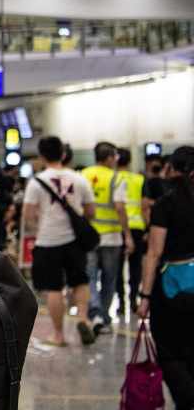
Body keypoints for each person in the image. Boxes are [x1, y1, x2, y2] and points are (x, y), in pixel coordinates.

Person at [136, 146, 194, 410]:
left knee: (171, 353)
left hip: (172, 290)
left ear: (172, 170)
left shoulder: (166, 204)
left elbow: (154, 252)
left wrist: (144, 295)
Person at [23, 136, 97, 346]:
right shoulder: (80, 179)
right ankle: (83, 319)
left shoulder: (36, 182)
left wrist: (40, 225)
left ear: (41, 156)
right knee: (80, 281)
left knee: (53, 288)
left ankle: (58, 335)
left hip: (47, 241)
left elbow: (28, 215)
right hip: (75, 242)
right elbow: (91, 211)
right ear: (64, 154)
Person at [82, 141, 131, 331]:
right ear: (109, 158)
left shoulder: (83, 175)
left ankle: (94, 312)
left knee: (90, 276)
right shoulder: (116, 178)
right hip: (111, 237)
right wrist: (128, 235)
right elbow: (120, 207)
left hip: (89, 237)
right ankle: (103, 316)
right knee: (109, 278)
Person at [120, 149, 148, 312]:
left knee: (117, 270)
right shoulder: (139, 179)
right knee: (135, 267)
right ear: (130, 161)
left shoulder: (114, 178)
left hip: (118, 228)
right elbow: (144, 205)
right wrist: (147, 227)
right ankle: (132, 301)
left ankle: (121, 306)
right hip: (137, 227)